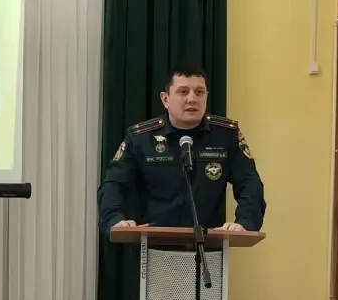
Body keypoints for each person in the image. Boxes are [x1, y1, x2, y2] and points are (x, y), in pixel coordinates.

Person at [97, 64, 265, 234]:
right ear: (165, 99)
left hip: (208, 242)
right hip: (152, 242)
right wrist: (115, 220)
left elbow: (249, 183)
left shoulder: (225, 135)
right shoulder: (141, 138)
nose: (192, 99)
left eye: (199, 92)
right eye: (183, 92)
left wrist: (244, 222)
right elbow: (114, 183)